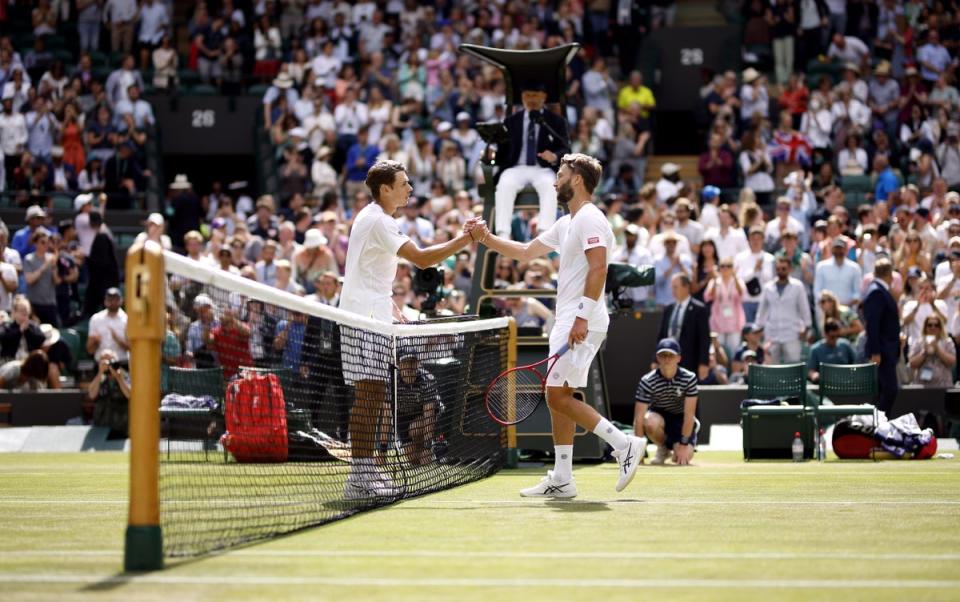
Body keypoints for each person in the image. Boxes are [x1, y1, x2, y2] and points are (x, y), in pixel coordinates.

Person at [470, 153, 644, 498]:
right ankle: (563, 478)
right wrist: (486, 238)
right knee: (558, 396)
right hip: (570, 318)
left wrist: (581, 316)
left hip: (582, 319)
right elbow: (523, 251)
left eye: (561, 174)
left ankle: (623, 444)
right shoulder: (567, 223)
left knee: (557, 395)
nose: (554, 181)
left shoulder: (591, 220)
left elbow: (599, 269)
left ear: (577, 179)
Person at [338, 160, 482, 499]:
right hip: (363, 318)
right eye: (404, 183)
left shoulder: (375, 219)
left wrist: (391, 305)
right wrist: (466, 238)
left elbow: (367, 272)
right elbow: (422, 259)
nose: (410, 188)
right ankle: (358, 476)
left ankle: (365, 470)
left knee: (372, 394)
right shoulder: (377, 220)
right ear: (385, 188)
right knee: (368, 394)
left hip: (373, 312)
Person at [494, 82, 570, 239]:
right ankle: (503, 233)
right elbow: (502, 152)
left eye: (535, 95)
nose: (531, 99)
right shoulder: (511, 121)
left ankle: (544, 233)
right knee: (505, 183)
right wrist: (490, 154)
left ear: (544, 97)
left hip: (542, 168)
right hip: (516, 167)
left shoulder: (556, 121)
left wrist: (555, 156)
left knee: (550, 185)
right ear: (521, 98)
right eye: (527, 95)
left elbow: (565, 148)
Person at [634, 338, 700, 466]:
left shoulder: (690, 378)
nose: (667, 359)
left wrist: (683, 444)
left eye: (671, 355)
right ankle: (663, 449)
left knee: (682, 458)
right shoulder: (647, 381)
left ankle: (675, 447)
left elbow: (689, 415)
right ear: (657, 358)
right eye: (663, 355)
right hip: (659, 417)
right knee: (649, 421)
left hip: (681, 420)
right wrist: (639, 451)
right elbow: (639, 417)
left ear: (678, 358)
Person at [756, 256, 813, 364]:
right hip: (772, 333)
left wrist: (806, 328)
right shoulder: (768, 287)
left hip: (792, 332)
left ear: (790, 269)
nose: (781, 271)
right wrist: (759, 327)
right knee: (771, 365)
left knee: (793, 365)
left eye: (784, 269)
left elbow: (804, 308)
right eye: (778, 269)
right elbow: (762, 310)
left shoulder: (798, 286)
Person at [863, 259, 901, 415]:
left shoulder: (877, 290)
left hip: (885, 350)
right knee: (890, 390)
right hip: (882, 353)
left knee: (882, 391)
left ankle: (878, 428)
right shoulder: (877, 292)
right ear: (890, 275)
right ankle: (878, 423)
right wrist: (875, 352)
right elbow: (873, 324)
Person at [657, 273, 711, 380]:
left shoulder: (699, 309)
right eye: (672, 287)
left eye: (675, 287)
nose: (673, 291)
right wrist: (655, 360)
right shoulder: (668, 308)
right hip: (668, 363)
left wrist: (703, 363)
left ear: (686, 287)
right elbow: (661, 336)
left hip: (690, 363)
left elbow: (704, 339)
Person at [86, 348, 131, 438]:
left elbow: (130, 395)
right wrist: (100, 373)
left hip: (120, 425)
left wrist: (118, 378)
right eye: (103, 360)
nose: (107, 363)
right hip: (101, 424)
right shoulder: (99, 377)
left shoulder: (123, 375)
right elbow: (91, 394)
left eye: (110, 360)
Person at [23, 228, 61, 326]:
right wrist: (44, 266)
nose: (46, 245)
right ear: (36, 244)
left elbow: (57, 281)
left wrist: (54, 266)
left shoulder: (52, 258)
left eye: (48, 242)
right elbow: (29, 280)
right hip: (34, 304)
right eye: (42, 242)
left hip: (50, 304)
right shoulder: (29, 259)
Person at [908, 315, 956, 388]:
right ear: (925, 327)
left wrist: (938, 349)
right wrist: (924, 352)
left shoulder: (947, 342)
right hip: (923, 385)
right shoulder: (919, 342)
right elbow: (912, 364)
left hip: (943, 385)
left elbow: (952, 362)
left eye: (936, 325)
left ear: (940, 328)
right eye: (929, 325)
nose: (933, 327)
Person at [814, 237, 862, 307]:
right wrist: (828, 305)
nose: (839, 251)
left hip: (848, 311)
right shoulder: (821, 267)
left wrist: (845, 305)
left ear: (846, 250)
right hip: (827, 311)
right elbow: (817, 291)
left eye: (841, 249)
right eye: (836, 248)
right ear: (832, 250)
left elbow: (857, 292)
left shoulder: (855, 268)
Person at [86, 287, 128, 363]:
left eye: (116, 299)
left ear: (121, 300)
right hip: (101, 363)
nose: (113, 302)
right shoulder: (96, 318)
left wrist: (118, 339)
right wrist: (96, 342)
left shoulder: (127, 320)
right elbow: (90, 350)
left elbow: (133, 349)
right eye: (110, 299)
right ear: (105, 301)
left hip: (122, 363)